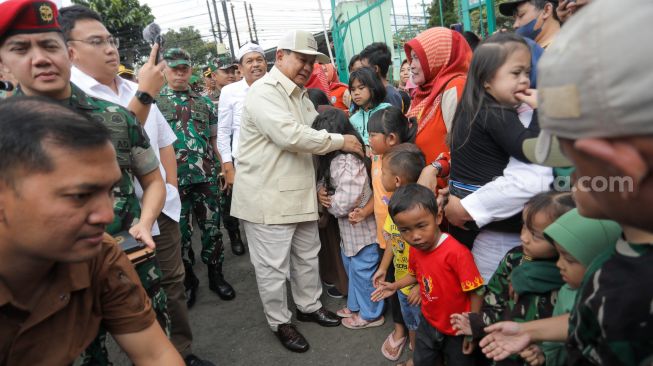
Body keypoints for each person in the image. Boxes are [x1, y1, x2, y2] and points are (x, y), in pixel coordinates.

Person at [480, 1, 653, 364]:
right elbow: (595, 322)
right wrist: (531, 330)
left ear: (619, 164)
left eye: (574, 160)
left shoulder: (632, 288)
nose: (570, 178)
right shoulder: (625, 251)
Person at [0, 2, 170, 364]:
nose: (40, 59)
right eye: (20, 49)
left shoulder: (114, 116)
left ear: (67, 52)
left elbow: (153, 179)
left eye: (49, 46)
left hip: (124, 255)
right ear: (2, 62)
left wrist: (144, 221)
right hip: (38, 284)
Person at [59, 6, 212, 365]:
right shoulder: (68, 97)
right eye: (97, 42)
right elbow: (110, 151)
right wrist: (144, 94)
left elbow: (163, 143)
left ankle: (180, 351)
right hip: (107, 225)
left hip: (158, 210)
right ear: (69, 51)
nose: (111, 49)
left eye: (111, 40)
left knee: (171, 286)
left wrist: (168, 190)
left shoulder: (135, 85)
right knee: (111, 303)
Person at [0, 96, 183, 366]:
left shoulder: (100, 254)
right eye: (79, 196)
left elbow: (155, 355)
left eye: (109, 191)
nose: (107, 216)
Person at [231, 29, 363, 353]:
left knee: (306, 257)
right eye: (300, 59)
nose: (306, 66)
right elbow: (291, 136)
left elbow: (316, 129)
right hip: (267, 198)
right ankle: (281, 322)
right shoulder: (263, 92)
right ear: (280, 56)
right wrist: (341, 140)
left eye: (311, 61)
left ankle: (309, 306)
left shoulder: (301, 94)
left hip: (300, 193)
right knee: (273, 268)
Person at [446, 33, 542, 281]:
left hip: (466, 209)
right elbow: (528, 149)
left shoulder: (471, 107)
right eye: (516, 73)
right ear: (487, 80)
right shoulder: (495, 112)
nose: (525, 80)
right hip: (482, 217)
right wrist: (544, 110)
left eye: (527, 72)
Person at [450, 191, 575, 366]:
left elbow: (574, 328)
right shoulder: (516, 258)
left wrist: (543, 353)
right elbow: (494, 298)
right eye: (524, 227)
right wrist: (477, 325)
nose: (524, 238)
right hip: (502, 352)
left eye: (536, 235)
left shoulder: (572, 275)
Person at [372, 184, 483, 366]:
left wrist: (472, 324)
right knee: (423, 360)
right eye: (405, 230)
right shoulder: (416, 249)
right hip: (429, 321)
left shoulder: (456, 253)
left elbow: (477, 290)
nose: (414, 236)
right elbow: (415, 275)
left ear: (438, 217)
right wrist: (395, 285)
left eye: (421, 226)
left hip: (457, 329)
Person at [156, 48, 236, 303]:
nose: (180, 73)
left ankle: (216, 275)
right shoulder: (155, 103)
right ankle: (189, 278)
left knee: (212, 230)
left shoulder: (203, 103)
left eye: (184, 69)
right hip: (172, 182)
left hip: (206, 178)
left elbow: (214, 138)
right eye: (174, 68)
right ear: (164, 70)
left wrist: (224, 166)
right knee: (181, 234)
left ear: (190, 71)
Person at [519, 209, 621, 366]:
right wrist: (544, 356)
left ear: (599, 260)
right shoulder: (567, 291)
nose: (559, 264)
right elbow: (554, 346)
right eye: (558, 255)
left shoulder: (623, 302)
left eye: (570, 259)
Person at [313, 108, 384, 329]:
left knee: (363, 272)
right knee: (353, 268)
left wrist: (330, 204)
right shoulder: (338, 159)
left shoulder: (346, 160)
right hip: (350, 231)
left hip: (362, 230)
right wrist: (321, 191)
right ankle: (356, 306)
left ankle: (371, 314)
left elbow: (348, 198)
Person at [365, 107, 424, 362]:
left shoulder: (418, 213)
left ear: (397, 180)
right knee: (413, 326)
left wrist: (422, 285)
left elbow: (430, 255)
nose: (382, 177)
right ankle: (415, 357)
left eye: (385, 174)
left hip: (421, 288)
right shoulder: (395, 207)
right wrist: (382, 267)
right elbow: (392, 239)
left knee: (425, 330)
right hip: (402, 282)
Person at [404, 27, 472, 193]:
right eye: (411, 58)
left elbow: (467, 147)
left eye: (417, 58)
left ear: (438, 57)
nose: (411, 66)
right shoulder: (423, 93)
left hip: (447, 196)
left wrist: (436, 167)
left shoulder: (455, 87)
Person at [217, 42, 268, 256]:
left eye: (259, 60)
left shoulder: (277, 86)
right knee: (255, 219)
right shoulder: (230, 92)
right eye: (250, 61)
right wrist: (228, 169)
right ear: (240, 67)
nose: (255, 65)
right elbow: (223, 133)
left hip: (276, 162)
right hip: (245, 165)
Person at [348, 67, 391, 146]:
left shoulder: (386, 111)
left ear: (373, 87)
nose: (356, 93)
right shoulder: (352, 120)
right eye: (353, 89)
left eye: (361, 88)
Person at [359, 42, 403, 109]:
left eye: (364, 67)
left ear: (375, 69)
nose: (361, 71)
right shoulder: (375, 92)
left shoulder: (390, 96)